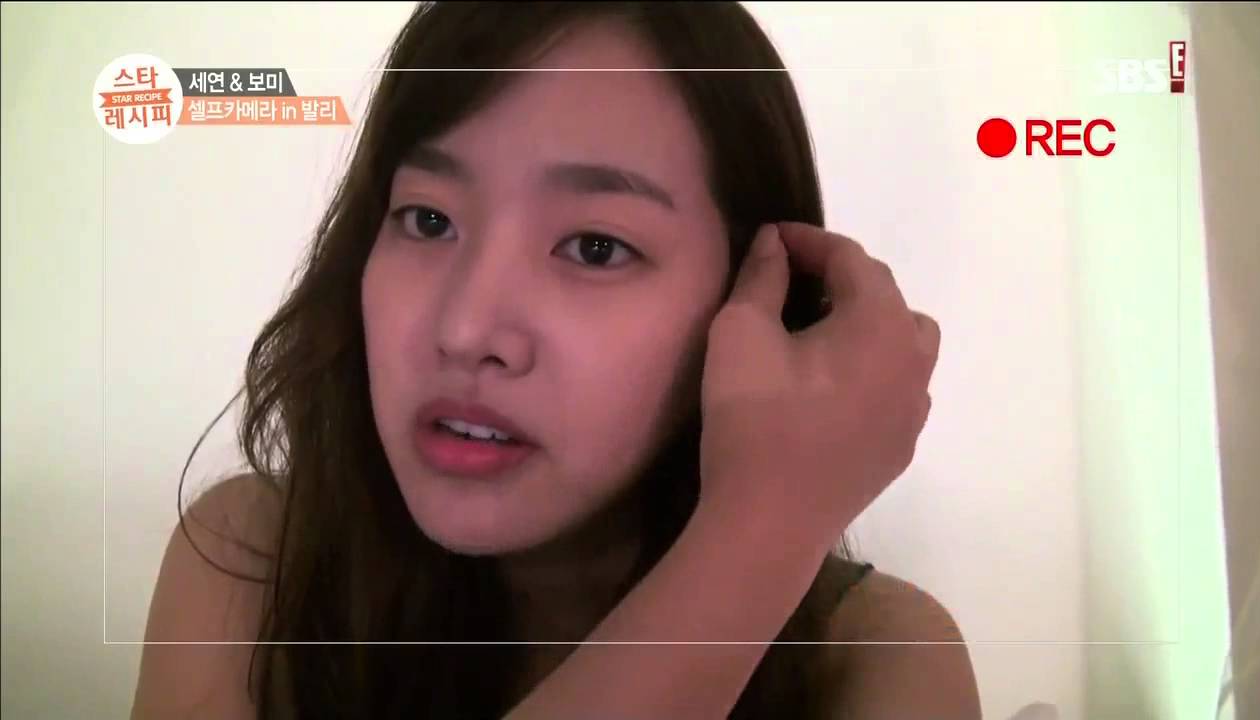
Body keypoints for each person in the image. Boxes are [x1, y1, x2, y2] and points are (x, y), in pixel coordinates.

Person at [131, 2, 981, 718]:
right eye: (428, 219)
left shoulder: (879, 662)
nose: (466, 328)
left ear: (753, 302)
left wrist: (768, 520)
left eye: (595, 246)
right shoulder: (254, 564)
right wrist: (762, 531)